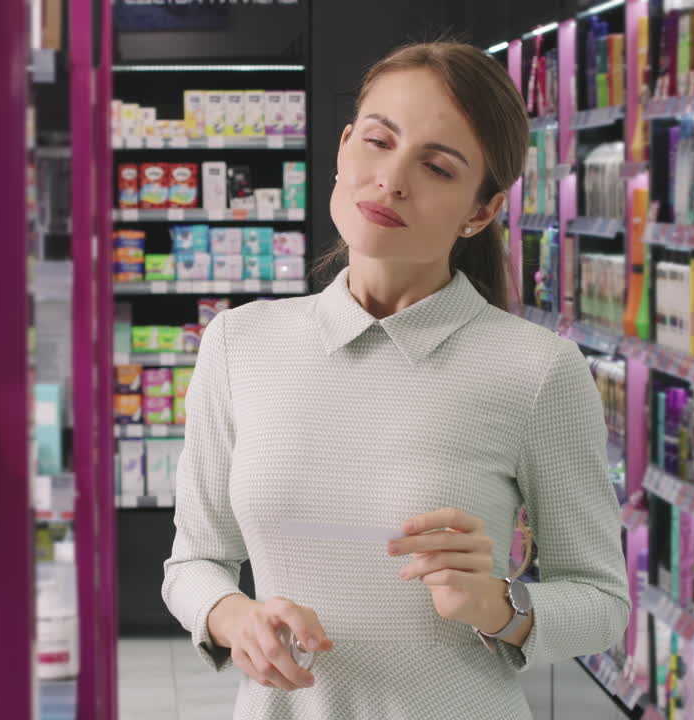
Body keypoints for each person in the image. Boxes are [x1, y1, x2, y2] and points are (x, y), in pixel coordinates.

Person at [162, 41, 629, 719]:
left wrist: (501, 605)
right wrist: (234, 618)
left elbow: (602, 601)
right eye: (378, 141)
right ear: (346, 143)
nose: (391, 179)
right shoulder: (240, 344)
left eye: (437, 167)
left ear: (481, 210)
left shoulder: (536, 371)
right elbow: (192, 564)